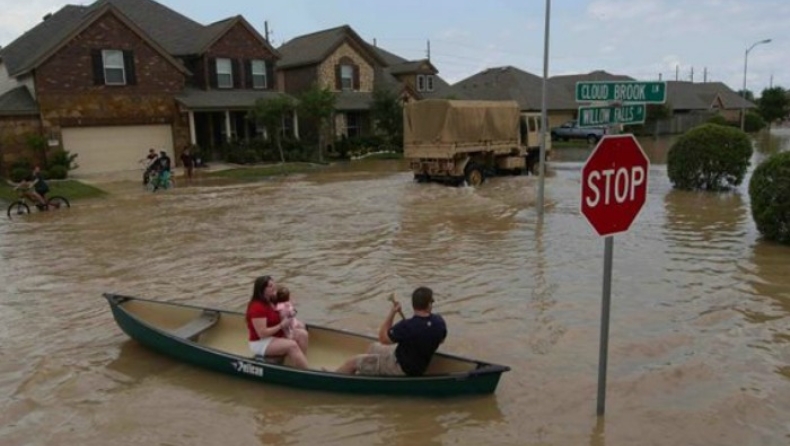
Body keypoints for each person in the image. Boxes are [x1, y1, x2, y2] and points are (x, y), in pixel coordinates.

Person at [334, 286, 447, 376]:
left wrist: (392, 312)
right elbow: (441, 340)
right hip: (418, 365)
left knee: (353, 362)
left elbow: (383, 338)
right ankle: (369, 373)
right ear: (429, 304)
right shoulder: (439, 322)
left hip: (400, 368)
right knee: (373, 347)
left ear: (413, 305)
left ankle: (335, 378)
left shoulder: (407, 326)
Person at [245, 275, 310, 369]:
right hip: (261, 342)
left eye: (274, 284)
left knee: (303, 334)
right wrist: (281, 325)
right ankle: (305, 373)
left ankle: (300, 366)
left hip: (275, 335)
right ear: (262, 290)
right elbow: (262, 334)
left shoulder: (271, 300)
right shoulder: (257, 307)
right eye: (270, 286)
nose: (274, 287)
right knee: (292, 345)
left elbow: (286, 302)